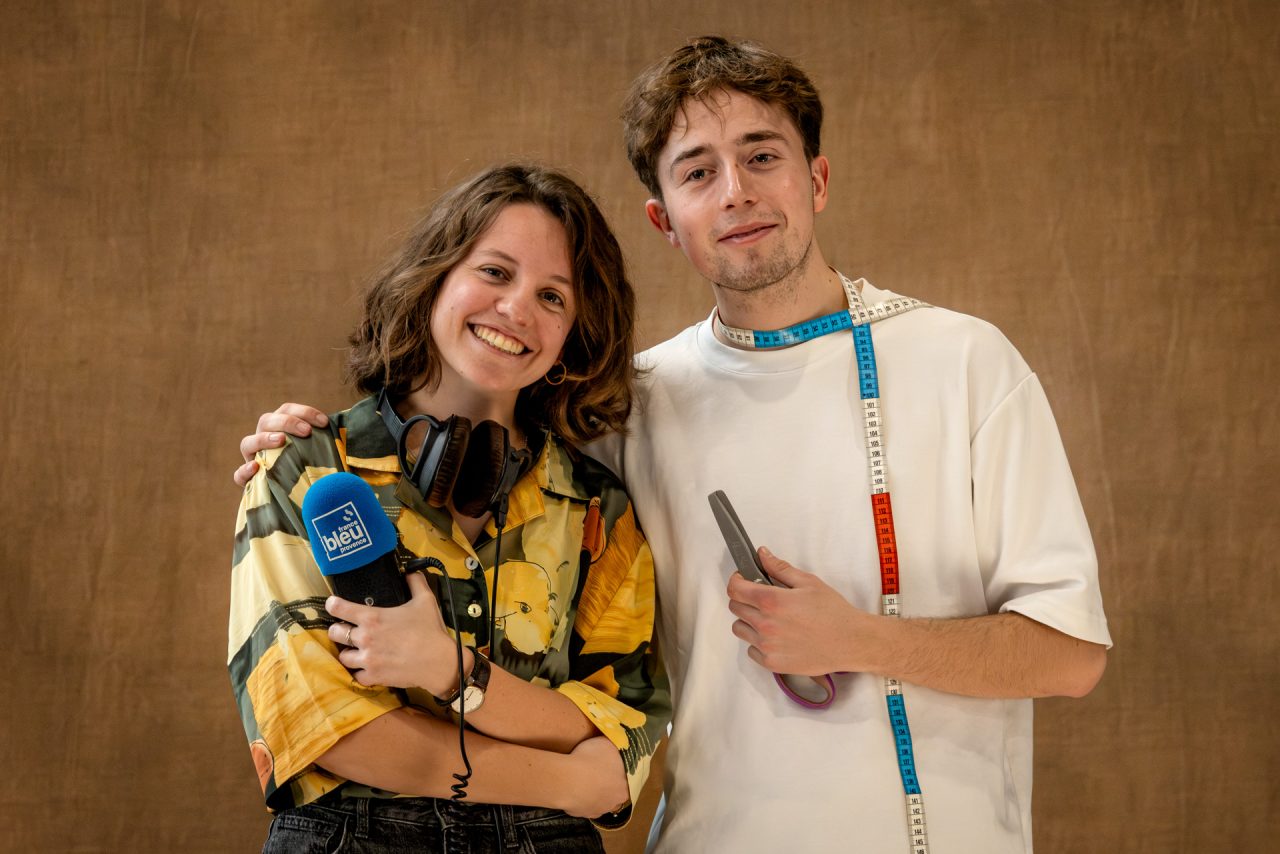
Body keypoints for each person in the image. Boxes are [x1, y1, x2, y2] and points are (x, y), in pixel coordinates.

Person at [235, 37, 1112, 854]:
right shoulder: (627, 407)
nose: (735, 193)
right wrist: (309, 445)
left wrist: (858, 640)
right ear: (664, 219)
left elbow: (1072, 655)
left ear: (818, 178)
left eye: (762, 156)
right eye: (699, 172)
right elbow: (474, 417)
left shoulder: (965, 361)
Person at [229, 163, 669, 853]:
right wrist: (567, 780)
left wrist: (451, 672)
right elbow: (319, 730)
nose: (517, 309)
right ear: (434, 278)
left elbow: (625, 734)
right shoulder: (306, 468)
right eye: (495, 272)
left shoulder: (599, 509)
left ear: (570, 338)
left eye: (552, 296)